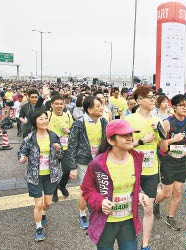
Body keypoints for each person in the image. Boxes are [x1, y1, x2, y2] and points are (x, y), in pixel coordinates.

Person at [81, 119, 149, 250]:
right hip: (105, 222)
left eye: (131, 134)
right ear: (111, 140)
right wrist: (100, 201)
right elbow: (87, 190)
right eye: (124, 135)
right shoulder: (98, 164)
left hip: (128, 221)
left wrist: (140, 193)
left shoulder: (136, 158)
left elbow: (135, 183)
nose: (130, 138)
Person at [124, 86, 167, 250]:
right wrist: (142, 141)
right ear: (139, 100)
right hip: (131, 170)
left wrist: (160, 134)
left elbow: (164, 148)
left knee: (148, 208)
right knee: (131, 207)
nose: (152, 99)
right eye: (148, 97)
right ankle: (129, 239)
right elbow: (123, 147)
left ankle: (145, 245)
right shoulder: (129, 120)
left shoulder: (158, 121)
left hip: (151, 171)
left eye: (153, 97)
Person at [18, 109, 63, 241]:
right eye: (41, 119)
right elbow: (21, 153)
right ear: (35, 121)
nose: (44, 121)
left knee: (48, 203)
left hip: (51, 175)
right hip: (34, 176)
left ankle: (43, 214)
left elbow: (60, 155)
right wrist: (22, 158)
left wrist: (59, 150)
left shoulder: (54, 136)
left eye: (45, 118)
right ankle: (38, 228)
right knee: (38, 204)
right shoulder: (29, 138)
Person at [154, 94, 186, 231]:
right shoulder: (167, 122)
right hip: (168, 160)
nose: (185, 108)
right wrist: (174, 139)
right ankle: (155, 202)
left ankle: (170, 218)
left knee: (178, 192)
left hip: (182, 160)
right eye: (182, 105)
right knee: (167, 193)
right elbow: (162, 146)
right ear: (174, 107)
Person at [68, 96, 108, 229]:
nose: (102, 108)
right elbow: (72, 146)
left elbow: (106, 141)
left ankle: (94, 209)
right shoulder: (79, 124)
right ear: (89, 110)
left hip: (99, 161)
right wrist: (72, 167)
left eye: (102, 105)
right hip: (83, 161)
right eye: (98, 106)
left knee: (98, 188)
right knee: (85, 189)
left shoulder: (103, 121)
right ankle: (82, 214)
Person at [46, 95, 74, 203]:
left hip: (66, 148)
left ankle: (62, 185)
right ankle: (53, 191)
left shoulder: (67, 115)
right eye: (56, 104)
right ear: (52, 105)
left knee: (67, 170)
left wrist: (69, 130)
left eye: (61, 104)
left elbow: (73, 128)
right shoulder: (48, 115)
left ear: (64, 105)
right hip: (52, 148)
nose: (59, 106)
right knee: (53, 171)